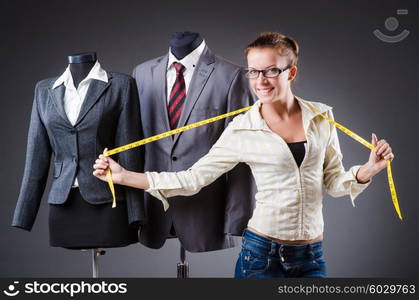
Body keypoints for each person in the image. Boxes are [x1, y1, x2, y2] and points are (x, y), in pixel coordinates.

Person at [92, 32, 394, 277]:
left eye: (271, 71)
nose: (260, 80)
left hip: (313, 256)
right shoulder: (242, 127)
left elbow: (332, 183)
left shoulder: (322, 117)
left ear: (292, 72)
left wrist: (367, 170)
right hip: (260, 255)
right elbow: (192, 179)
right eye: (253, 71)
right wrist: (124, 176)